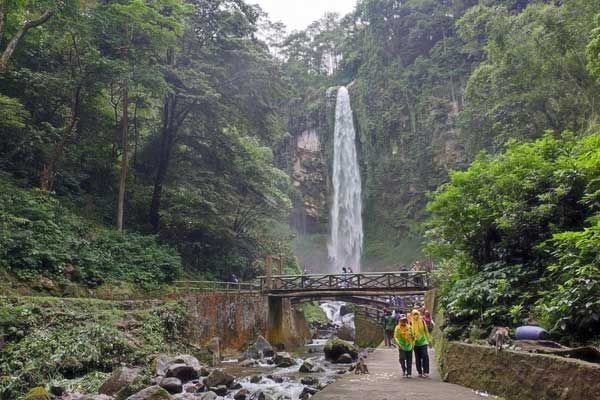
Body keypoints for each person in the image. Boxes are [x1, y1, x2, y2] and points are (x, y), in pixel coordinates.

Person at [410, 309, 432, 378]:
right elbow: (409, 333)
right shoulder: (411, 323)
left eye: (417, 314)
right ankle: (419, 372)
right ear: (412, 315)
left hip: (423, 341)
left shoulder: (422, 321)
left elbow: (426, 331)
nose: (416, 316)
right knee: (418, 358)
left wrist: (429, 341)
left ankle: (425, 371)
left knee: (425, 356)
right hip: (415, 343)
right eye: (414, 314)